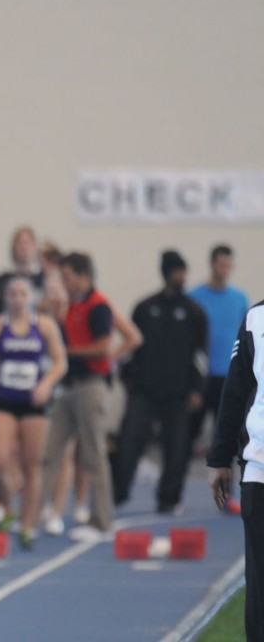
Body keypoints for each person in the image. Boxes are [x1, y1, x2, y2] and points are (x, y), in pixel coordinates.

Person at [0, 276, 66, 548]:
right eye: (12, 293)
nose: (17, 298)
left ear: (32, 298)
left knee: (32, 465)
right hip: (3, 400)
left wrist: (47, 383)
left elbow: (61, 362)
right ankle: (9, 506)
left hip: (33, 403)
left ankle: (27, 525)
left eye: (23, 294)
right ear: (5, 298)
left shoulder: (44, 326)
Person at [112, 251, 207, 514]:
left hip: (178, 395)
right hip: (144, 392)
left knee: (176, 451)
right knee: (129, 443)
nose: (182, 277)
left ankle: (168, 498)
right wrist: (128, 379)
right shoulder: (145, 309)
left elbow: (200, 356)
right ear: (167, 273)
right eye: (178, 272)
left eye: (184, 272)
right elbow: (131, 350)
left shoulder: (193, 313)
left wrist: (197, 388)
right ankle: (119, 492)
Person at [38, 252, 118, 541]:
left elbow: (102, 347)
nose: (64, 282)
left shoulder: (98, 307)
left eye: (67, 277)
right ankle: (32, 514)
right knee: (50, 453)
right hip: (68, 387)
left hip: (91, 386)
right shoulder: (72, 306)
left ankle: (101, 519)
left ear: (84, 276)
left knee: (93, 454)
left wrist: (65, 353)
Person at [207, 298, 264, 642]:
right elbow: (236, 388)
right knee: (258, 587)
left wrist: (219, 458)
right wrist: (219, 456)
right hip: (260, 470)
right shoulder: (256, 319)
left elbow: (235, 390)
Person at [189, 245, 249, 472]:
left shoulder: (239, 298)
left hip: (228, 376)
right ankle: (176, 492)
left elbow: (247, 336)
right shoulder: (195, 298)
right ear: (212, 264)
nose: (225, 270)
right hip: (201, 377)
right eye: (221, 265)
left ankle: (226, 493)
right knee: (188, 434)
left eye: (229, 265)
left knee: (228, 436)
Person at [0, 226, 47, 317]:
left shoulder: (46, 279)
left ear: (35, 247)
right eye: (20, 243)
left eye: (28, 243)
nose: (24, 247)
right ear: (13, 247)